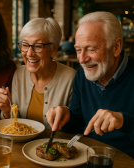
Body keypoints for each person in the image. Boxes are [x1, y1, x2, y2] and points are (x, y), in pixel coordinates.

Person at [46, 11, 134, 158]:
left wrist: (123, 121)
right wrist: (67, 117)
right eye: (78, 50)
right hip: (88, 159)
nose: (81, 59)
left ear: (116, 47)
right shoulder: (82, 74)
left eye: (91, 49)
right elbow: (80, 125)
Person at [0, 17, 76, 128]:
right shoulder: (18, 74)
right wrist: (7, 110)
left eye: (38, 46)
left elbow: (77, 124)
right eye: (25, 45)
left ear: (54, 49)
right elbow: (12, 126)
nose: (29, 53)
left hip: (54, 144)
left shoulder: (71, 78)